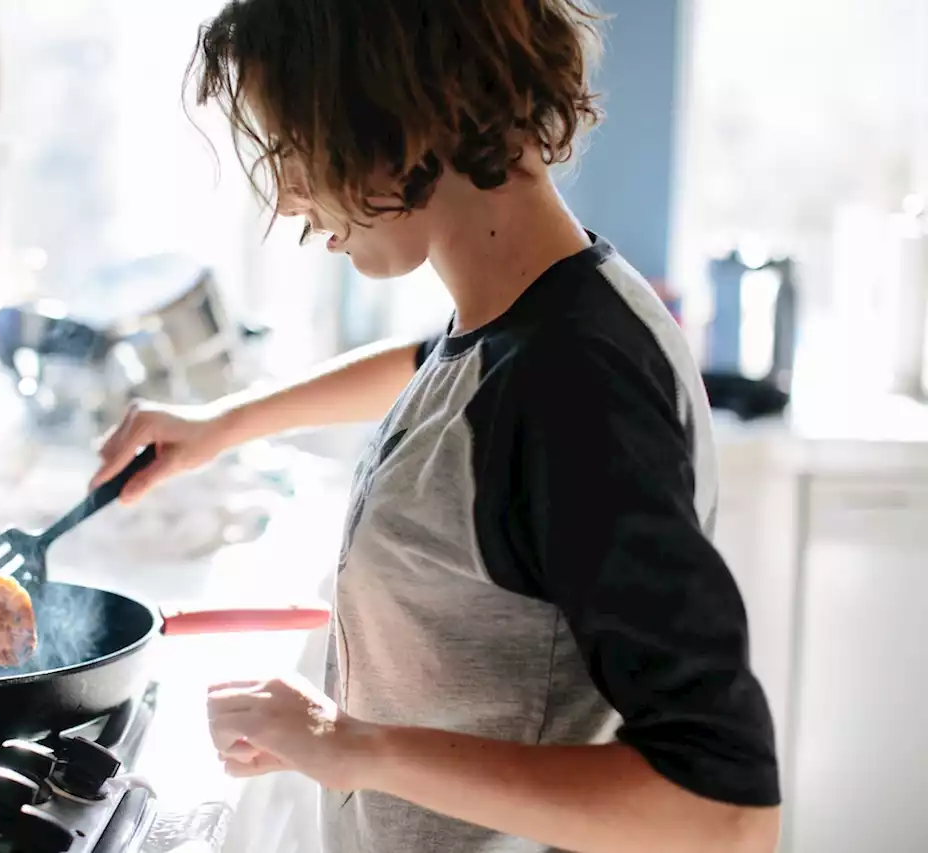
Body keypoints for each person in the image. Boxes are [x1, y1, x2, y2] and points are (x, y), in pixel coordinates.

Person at [91, 1, 781, 851]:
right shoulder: (537, 316)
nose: (290, 200)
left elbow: (722, 809)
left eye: (293, 147)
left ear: (398, 114)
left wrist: (351, 747)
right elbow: (436, 365)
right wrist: (226, 422)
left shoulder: (576, 387)